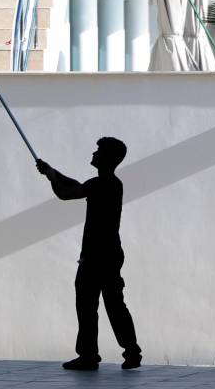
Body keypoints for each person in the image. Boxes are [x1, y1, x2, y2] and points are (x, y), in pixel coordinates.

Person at [36, 137, 142, 370]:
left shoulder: (101, 184)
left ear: (107, 158)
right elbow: (78, 185)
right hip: (109, 254)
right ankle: (130, 351)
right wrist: (53, 172)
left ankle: (89, 355)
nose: (94, 153)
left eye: (98, 151)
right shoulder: (110, 183)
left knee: (87, 305)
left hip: (96, 256)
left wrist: (51, 177)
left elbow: (66, 193)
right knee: (113, 304)